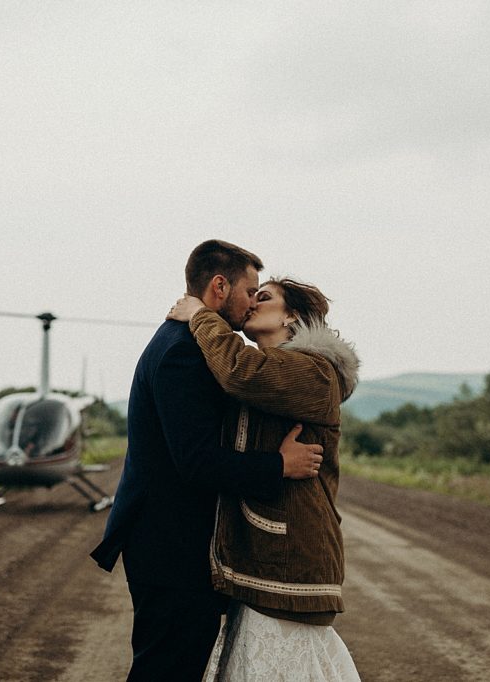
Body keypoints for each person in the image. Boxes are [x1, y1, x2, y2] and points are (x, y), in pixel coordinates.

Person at [90, 240, 325, 681]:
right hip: (171, 548)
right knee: (165, 671)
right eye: (249, 289)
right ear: (220, 286)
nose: (252, 300)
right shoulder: (184, 351)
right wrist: (278, 466)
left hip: (172, 547)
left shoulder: (190, 342)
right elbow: (196, 462)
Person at [167, 276, 361, 681]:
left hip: (290, 561)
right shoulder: (276, 374)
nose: (252, 303)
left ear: (292, 315)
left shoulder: (316, 372)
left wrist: (202, 316)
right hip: (259, 561)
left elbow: (242, 371)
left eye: (265, 297)